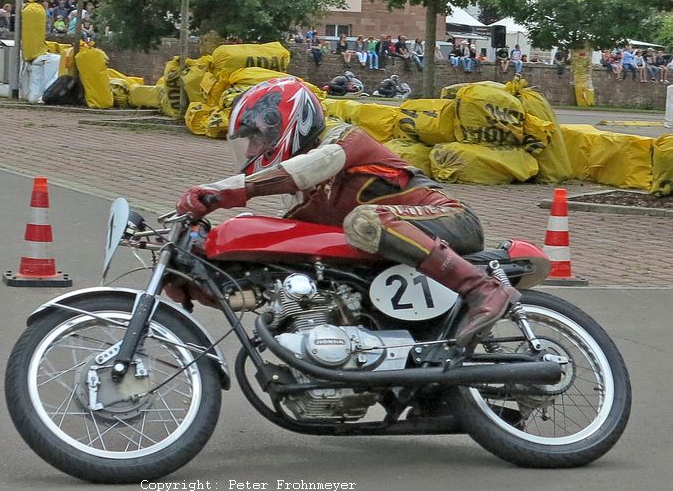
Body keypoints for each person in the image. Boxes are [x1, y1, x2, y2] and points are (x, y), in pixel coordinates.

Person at [174, 77, 520, 349]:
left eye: (257, 138)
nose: (252, 150)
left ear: (286, 120)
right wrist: (205, 277)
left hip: (448, 219)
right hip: (392, 257)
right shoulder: (300, 200)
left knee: (365, 220)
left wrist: (225, 191)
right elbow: (278, 264)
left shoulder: (344, 140)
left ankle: (482, 289)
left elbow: (309, 167)